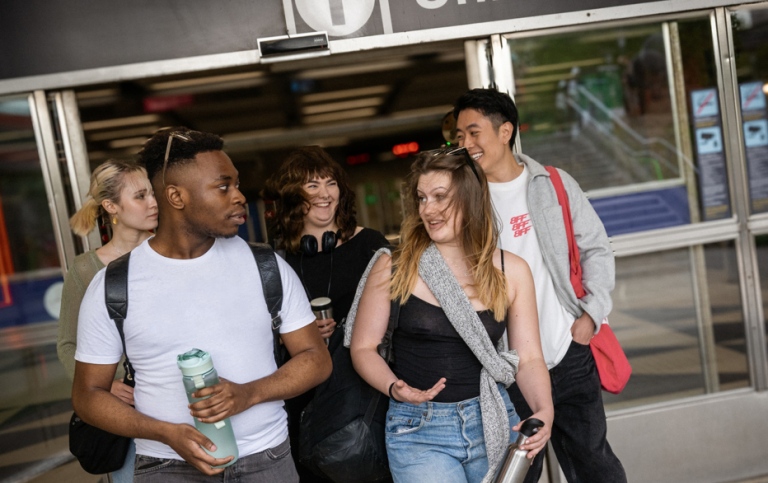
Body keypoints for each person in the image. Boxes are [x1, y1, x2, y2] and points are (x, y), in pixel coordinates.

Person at [71, 127, 332, 482]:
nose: (239, 196)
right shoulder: (114, 285)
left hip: (266, 460)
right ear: (176, 197)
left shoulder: (266, 266)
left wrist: (249, 393)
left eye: (236, 184)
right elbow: (87, 395)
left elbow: (316, 360)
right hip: (166, 467)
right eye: (223, 186)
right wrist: (166, 433)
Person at [348, 149, 554, 483]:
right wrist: (394, 387)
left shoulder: (511, 271)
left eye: (440, 197)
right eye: (422, 198)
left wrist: (545, 410)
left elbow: (529, 358)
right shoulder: (394, 267)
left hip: (492, 419)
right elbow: (362, 348)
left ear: (470, 199)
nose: (427, 209)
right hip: (419, 430)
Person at [453, 88, 627, 483]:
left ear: (505, 131)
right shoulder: (466, 204)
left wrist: (589, 316)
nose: (465, 144)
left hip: (569, 352)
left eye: (473, 132)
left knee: (594, 466)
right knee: (515, 474)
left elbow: (597, 248)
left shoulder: (554, 183)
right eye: (460, 136)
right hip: (508, 369)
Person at [263, 146, 389, 482]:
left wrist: (353, 326)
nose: (324, 194)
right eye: (312, 185)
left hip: (358, 390)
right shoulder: (275, 259)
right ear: (293, 196)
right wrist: (294, 335)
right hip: (301, 391)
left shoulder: (370, 245)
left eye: (330, 183)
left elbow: (396, 314)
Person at [57, 159, 157, 482]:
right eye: (141, 196)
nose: (153, 202)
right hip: (124, 412)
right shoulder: (86, 271)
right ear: (111, 206)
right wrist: (105, 385)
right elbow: (68, 343)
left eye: (152, 194)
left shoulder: (174, 255)